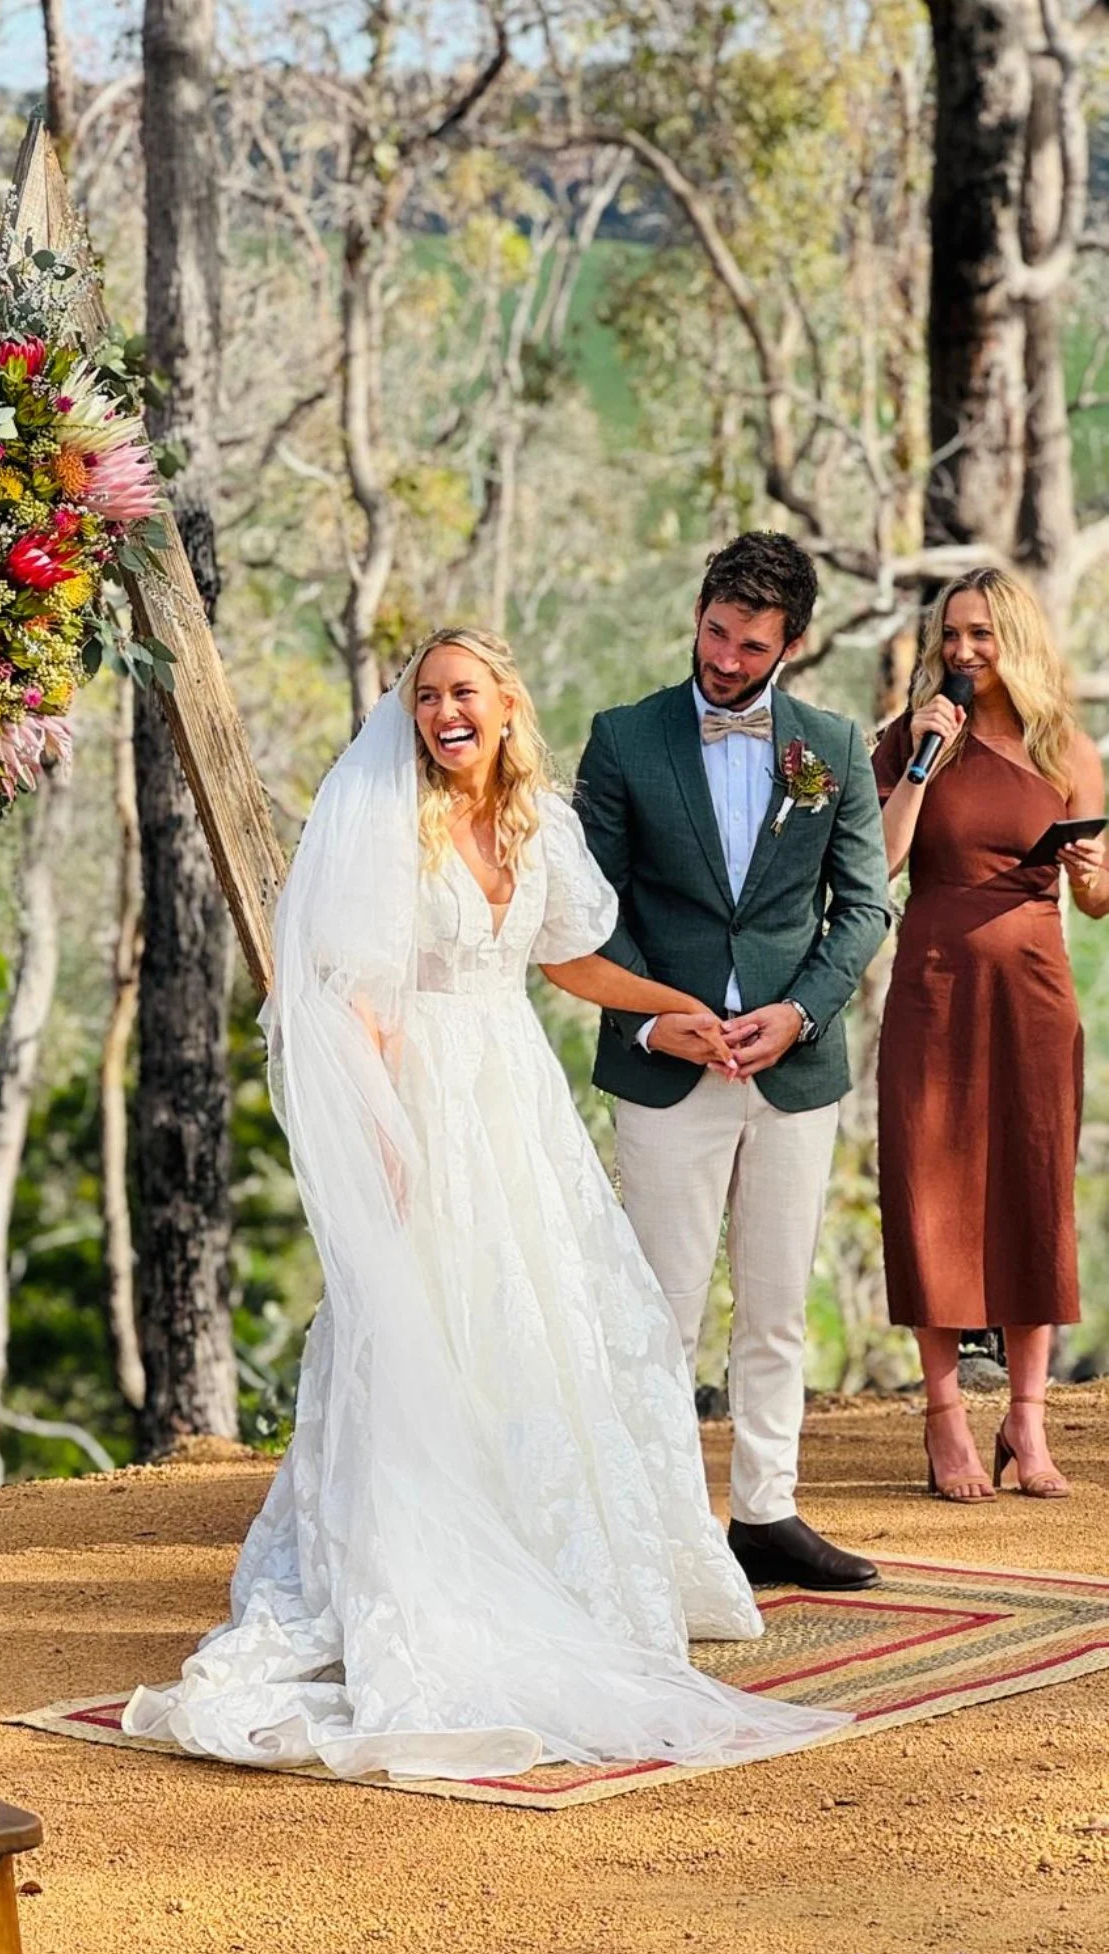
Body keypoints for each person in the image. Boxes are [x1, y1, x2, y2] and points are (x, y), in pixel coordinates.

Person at [123, 628, 847, 1782]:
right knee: (430, 1324)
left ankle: (552, 1543)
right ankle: (428, 1565)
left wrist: (673, 1007)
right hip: (423, 1097)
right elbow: (343, 986)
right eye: (427, 696)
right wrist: (384, 1128)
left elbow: (570, 963)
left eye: (465, 693)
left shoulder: (539, 821)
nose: (445, 712)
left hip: (514, 1095)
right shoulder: (385, 822)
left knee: (546, 1313)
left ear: (508, 701)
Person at [575, 533, 890, 1592]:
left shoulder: (832, 748)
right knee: (661, 1302)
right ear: (700, 611)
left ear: (789, 646)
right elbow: (588, 913)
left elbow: (864, 906)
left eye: (752, 646)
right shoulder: (622, 741)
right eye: (716, 631)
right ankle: (658, 1527)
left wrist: (800, 1013)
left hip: (794, 1076)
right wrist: (662, 1022)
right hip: (671, 1069)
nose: (726, 658)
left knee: (775, 1306)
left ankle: (767, 1510)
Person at [872, 568, 1106, 1503]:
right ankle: (942, 1423)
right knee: (932, 1186)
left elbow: (1096, 901)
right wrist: (923, 760)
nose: (963, 651)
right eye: (951, 635)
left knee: (1030, 1184)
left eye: (981, 634)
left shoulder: (1066, 749)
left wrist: (1091, 871)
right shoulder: (910, 736)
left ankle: (1025, 1419)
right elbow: (881, 862)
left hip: (1034, 990)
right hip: (933, 982)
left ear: (1015, 638)